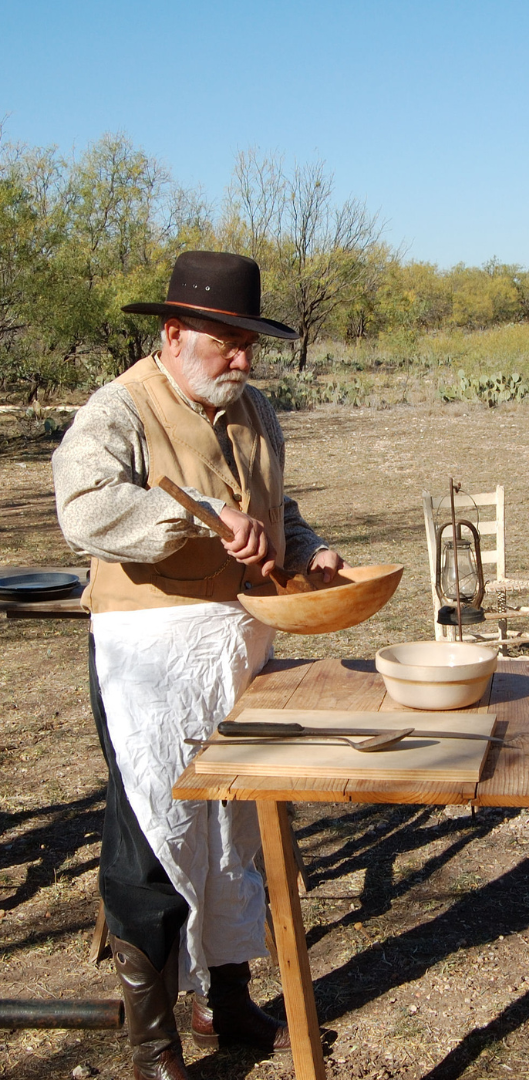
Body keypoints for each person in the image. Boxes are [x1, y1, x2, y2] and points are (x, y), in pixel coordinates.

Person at [52, 250, 344, 1079]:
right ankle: (152, 1041)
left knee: (235, 828)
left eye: (250, 343)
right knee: (152, 831)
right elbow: (86, 508)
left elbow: (274, 506)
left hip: (239, 643)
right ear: (175, 335)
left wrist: (309, 549)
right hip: (149, 656)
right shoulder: (120, 408)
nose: (245, 360)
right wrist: (202, 520)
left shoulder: (253, 411)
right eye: (228, 343)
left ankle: (226, 1001)